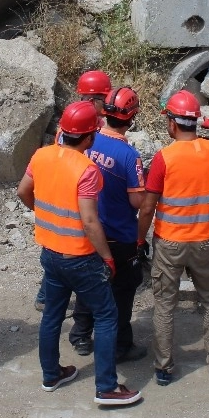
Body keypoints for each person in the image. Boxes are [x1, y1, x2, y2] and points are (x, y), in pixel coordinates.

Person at [18, 101, 141, 407]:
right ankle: (107, 388)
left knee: (53, 315)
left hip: (50, 251)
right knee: (108, 314)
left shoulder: (42, 155)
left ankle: (51, 374)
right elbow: (89, 221)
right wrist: (107, 257)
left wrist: (44, 215)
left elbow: (23, 191)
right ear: (89, 137)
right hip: (80, 257)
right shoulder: (86, 169)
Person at [137, 90, 209, 386]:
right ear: (194, 122)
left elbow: (148, 206)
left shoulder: (165, 158)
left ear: (172, 124)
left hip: (170, 243)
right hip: (205, 241)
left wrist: (140, 240)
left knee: (165, 306)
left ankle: (164, 368)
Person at [68, 87, 148, 363]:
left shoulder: (88, 142)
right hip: (118, 235)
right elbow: (137, 203)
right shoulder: (129, 155)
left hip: (87, 231)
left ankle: (80, 334)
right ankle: (120, 345)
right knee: (123, 291)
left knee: (89, 283)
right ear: (131, 118)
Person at [36, 69, 114, 311]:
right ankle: (51, 298)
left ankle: (45, 297)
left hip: (66, 191)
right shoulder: (87, 126)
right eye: (104, 96)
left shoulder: (72, 120)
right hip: (78, 193)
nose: (108, 101)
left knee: (56, 253)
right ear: (93, 98)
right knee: (72, 255)